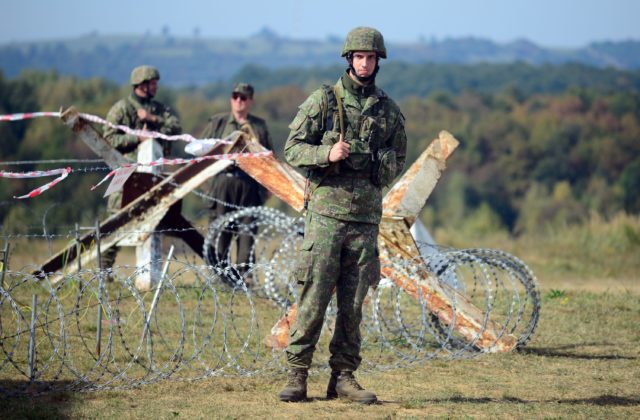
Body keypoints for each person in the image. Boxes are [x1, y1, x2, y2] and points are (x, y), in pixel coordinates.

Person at [278, 27, 407, 404]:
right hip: (326, 216)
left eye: (371, 58)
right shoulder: (323, 101)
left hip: (365, 220)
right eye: (359, 57)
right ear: (349, 59)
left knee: (352, 304)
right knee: (314, 296)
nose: (365, 63)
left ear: (378, 62)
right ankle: (297, 373)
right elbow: (292, 148)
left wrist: (381, 165)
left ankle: (344, 377)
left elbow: (397, 158)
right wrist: (326, 155)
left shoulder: (388, 110)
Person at [101, 65, 182, 274]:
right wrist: (138, 137)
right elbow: (108, 139)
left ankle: (149, 271)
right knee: (114, 220)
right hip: (125, 171)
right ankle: (104, 272)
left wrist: (152, 119)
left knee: (153, 220)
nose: (155, 87)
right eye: (152, 83)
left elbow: (175, 127)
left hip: (152, 173)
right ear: (141, 85)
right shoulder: (121, 109)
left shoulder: (158, 109)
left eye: (156, 83)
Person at [200, 83, 273, 281]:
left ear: (251, 100)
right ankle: (221, 275)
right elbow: (200, 152)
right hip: (224, 181)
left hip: (249, 183)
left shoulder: (258, 126)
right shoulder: (219, 123)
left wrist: (269, 186)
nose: (238, 100)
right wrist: (207, 186)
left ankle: (244, 277)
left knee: (247, 231)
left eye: (243, 97)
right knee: (222, 230)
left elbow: (269, 158)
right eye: (235, 96)